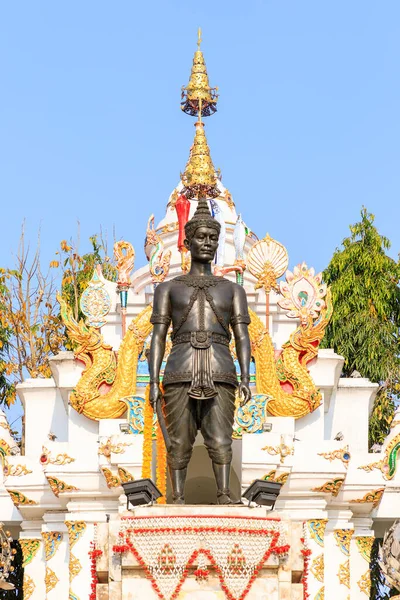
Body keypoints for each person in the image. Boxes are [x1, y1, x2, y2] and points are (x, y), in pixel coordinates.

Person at [149, 199, 251, 504]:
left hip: (221, 366)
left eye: (212, 238)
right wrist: (154, 381)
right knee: (178, 440)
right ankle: (177, 496)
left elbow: (242, 336)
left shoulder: (233, 290)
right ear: (187, 240)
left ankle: (223, 494)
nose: (207, 243)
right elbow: (158, 336)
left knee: (221, 439)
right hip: (180, 366)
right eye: (201, 237)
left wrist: (246, 376)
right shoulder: (168, 289)